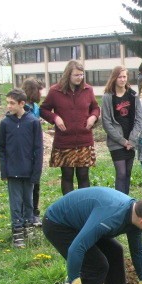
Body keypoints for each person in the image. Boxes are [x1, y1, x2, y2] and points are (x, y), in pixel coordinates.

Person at [40, 60, 100, 195]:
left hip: (84, 141)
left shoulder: (88, 90)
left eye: (81, 75)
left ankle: (83, 206)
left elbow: (95, 107)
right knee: (67, 176)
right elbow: (43, 110)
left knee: (83, 175)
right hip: (64, 142)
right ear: (68, 75)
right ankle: (69, 208)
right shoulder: (55, 91)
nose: (80, 78)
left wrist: (93, 117)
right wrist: (55, 118)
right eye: (76, 75)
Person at [0, 89, 43, 248]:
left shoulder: (33, 122)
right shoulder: (5, 123)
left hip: (29, 171)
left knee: (28, 201)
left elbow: (39, 149)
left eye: (12, 103)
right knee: (15, 202)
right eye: (7, 102)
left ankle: (28, 227)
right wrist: (4, 170)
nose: (8, 106)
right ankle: (17, 231)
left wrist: (36, 172)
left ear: (22, 103)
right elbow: (0, 148)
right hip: (12, 171)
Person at [101, 66, 142, 195]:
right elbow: (106, 122)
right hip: (117, 142)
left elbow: (139, 119)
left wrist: (131, 140)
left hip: (131, 140)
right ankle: (119, 203)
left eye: (124, 76)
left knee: (128, 173)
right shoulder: (108, 97)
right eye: (120, 77)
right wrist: (123, 141)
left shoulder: (132, 95)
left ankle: (127, 202)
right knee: (121, 173)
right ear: (114, 78)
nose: (122, 79)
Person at [21, 78, 45, 226]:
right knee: (24, 185)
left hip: (36, 150)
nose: (41, 94)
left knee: (36, 183)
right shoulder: (23, 107)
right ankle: (25, 213)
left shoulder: (36, 107)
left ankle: (34, 212)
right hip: (25, 150)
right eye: (39, 90)